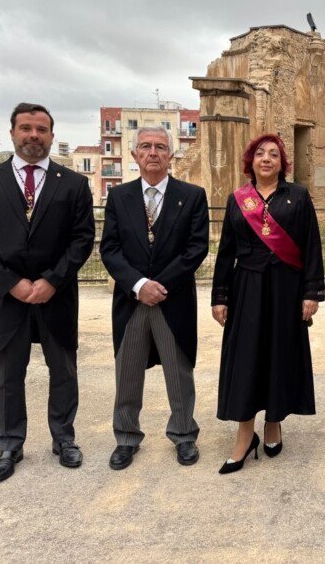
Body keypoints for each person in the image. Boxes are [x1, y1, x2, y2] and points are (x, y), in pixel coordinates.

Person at [0, 102, 95, 483]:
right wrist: (11, 283)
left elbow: (82, 238)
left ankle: (64, 438)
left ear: (51, 136)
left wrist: (52, 280)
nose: (33, 135)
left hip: (57, 296)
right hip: (7, 299)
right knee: (8, 374)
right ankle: (9, 444)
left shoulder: (74, 185)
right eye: (26, 128)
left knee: (64, 371)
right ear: (13, 133)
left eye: (41, 129)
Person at [211, 134, 324, 474]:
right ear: (251, 161)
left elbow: (312, 247)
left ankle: (274, 422)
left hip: (287, 290)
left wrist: (311, 293)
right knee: (246, 358)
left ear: (281, 163)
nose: (266, 159)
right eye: (260, 153)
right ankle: (245, 435)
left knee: (279, 355)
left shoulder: (298, 196)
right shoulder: (238, 199)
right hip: (246, 288)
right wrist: (220, 296)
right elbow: (225, 252)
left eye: (274, 154)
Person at [99, 126, 209, 470]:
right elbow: (110, 249)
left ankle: (184, 434)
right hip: (131, 301)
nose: (153, 152)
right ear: (134, 154)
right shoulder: (120, 197)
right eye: (145, 146)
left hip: (172, 300)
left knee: (179, 373)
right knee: (128, 373)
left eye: (160, 147)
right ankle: (126, 437)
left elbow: (196, 248)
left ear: (171, 155)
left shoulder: (192, 195)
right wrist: (138, 285)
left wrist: (159, 285)